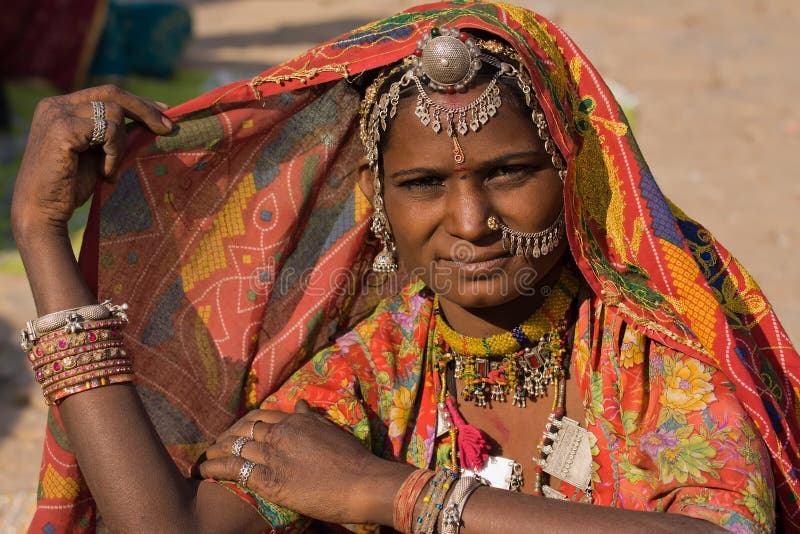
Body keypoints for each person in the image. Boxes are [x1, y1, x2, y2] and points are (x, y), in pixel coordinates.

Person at [11, 2, 798, 532]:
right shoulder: (374, 368)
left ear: (573, 171)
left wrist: (395, 494)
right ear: (376, 197)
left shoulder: (654, 355)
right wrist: (43, 233)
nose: (470, 223)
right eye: (424, 184)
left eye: (510, 172)